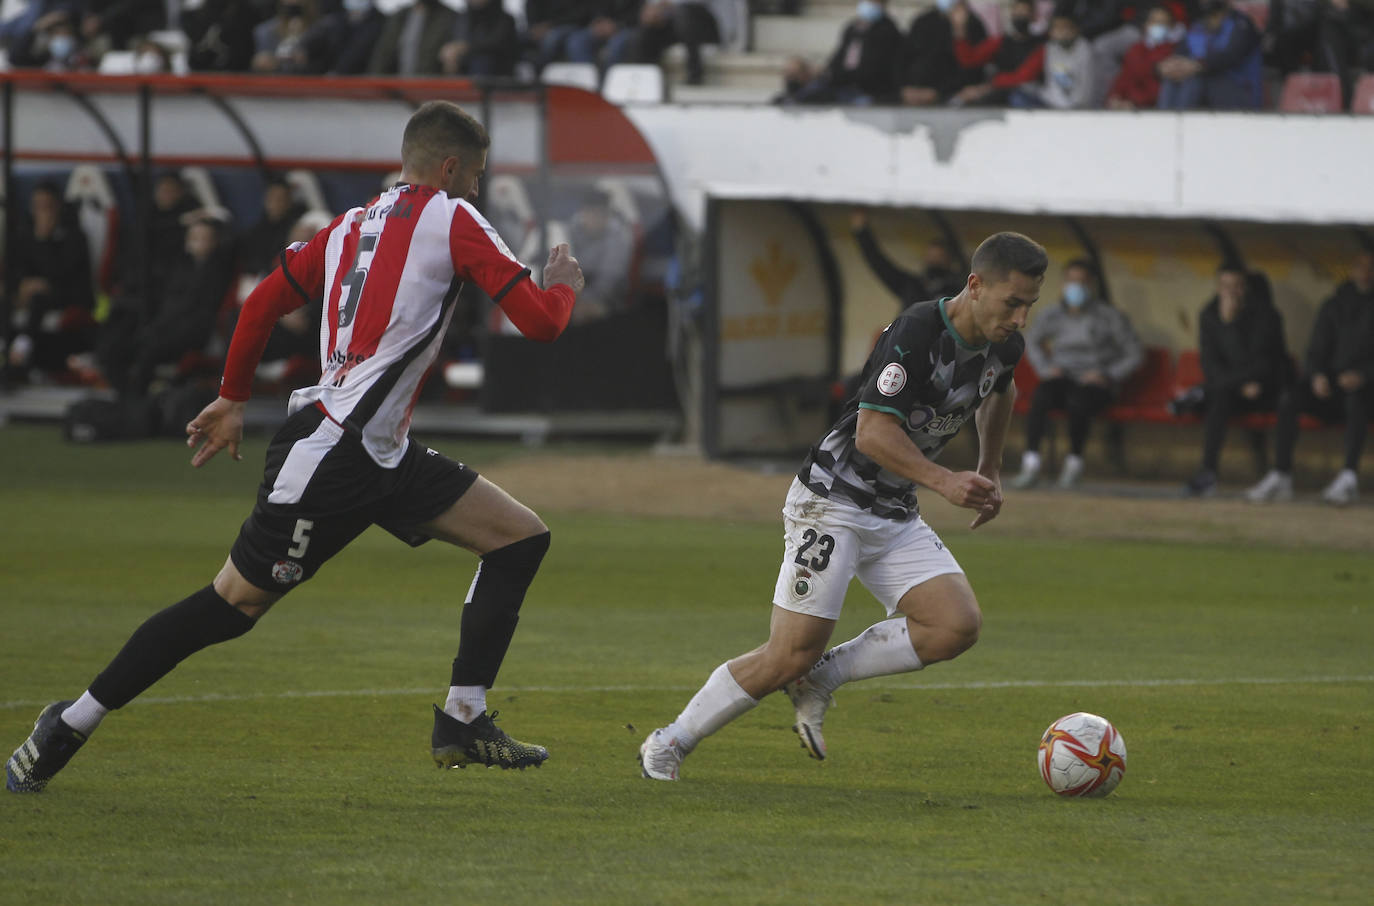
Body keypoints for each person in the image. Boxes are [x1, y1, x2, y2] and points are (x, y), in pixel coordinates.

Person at [5, 100, 586, 794]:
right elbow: (542, 325)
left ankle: (463, 720)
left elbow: (258, 305)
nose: (479, 190)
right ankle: (68, 723)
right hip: (335, 458)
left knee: (519, 538)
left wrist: (233, 396)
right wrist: (563, 290)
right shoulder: (453, 217)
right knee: (231, 606)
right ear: (451, 167)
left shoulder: (346, 225)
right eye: (478, 175)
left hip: (381, 451)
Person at [639, 232, 1048, 781]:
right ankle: (669, 742)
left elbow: (1002, 391)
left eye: (1029, 306)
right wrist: (945, 480)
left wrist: (991, 468)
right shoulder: (917, 332)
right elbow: (873, 433)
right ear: (975, 286)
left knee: (955, 625)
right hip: (832, 500)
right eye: (1012, 304)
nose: (1021, 320)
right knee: (788, 654)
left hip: (893, 508)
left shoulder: (1003, 346)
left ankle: (822, 679)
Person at [1246, 250, 1374, 506]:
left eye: (1371, 267)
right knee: (1290, 399)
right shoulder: (1334, 305)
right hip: (1331, 388)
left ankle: (1348, 477)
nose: (1366, 273)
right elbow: (1315, 350)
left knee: (1357, 400)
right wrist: (1316, 376)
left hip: (1366, 391)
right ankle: (1281, 473)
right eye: (1360, 266)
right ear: (1352, 270)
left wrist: (1363, 375)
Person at [1012, 259, 1143, 489]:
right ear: (1063, 284)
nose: (1076, 287)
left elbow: (1134, 353)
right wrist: (1046, 368)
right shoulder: (1051, 314)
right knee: (1041, 396)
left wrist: (1108, 375)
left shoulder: (1109, 316)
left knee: (1079, 401)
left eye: (1082, 282)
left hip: (1094, 382)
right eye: (1071, 281)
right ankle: (1031, 463)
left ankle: (1074, 464)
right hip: (1061, 376)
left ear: (1092, 285)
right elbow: (1031, 341)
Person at [1183, 263, 1291, 496]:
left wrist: (1230, 325)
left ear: (1246, 288)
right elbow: (1210, 366)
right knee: (1218, 398)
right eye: (1225, 286)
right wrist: (1239, 385)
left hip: (1266, 389)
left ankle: (1279, 476)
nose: (1231, 292)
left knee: (1216, 392)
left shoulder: (1266, 315)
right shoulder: (1209, 314)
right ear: (1218, 287)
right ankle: (1208, 473)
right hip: (1232, 390)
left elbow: (1264, 364)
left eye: (1237, 286)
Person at [5, 180, 95, 382]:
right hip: (34, 293)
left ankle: (21, 352)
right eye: (38, 206)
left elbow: (62, 274)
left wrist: (44, 240)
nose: (42, 212)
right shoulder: (25, 233)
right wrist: (22, 286)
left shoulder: (75, 236)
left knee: (38, 299)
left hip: (69, 294)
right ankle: (7, 348)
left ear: (58, 207)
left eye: (47, 206)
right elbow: (18, 267)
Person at [777, 0, 903, 105]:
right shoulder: (853, 28)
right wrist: (826, 73)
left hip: (864, 89)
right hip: (840, 83)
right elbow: (839, 56)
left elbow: (873, 69)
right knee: (803, 84)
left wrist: (841, 77)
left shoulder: (888, 31)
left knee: (822, 97)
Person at [1157, 0, 1263, 110]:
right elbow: (1180, 54)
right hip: (1203, 88)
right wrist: (1167, 67)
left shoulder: (1242, 24)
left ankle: (1182, 122)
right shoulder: (1197, 26)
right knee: (1172, 78)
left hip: (1238, 91)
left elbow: (1229, 57)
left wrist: (1196, 66)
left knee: (1193, 78)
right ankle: (1165, 122)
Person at [850, 210, 965, 309]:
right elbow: (880, 264)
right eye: (931, 257)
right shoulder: (913, 286)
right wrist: (862, 232)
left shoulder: (959, 288)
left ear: (949, 260)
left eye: (939, 257)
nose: (933, 260)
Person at [948, 0, 1047, 108]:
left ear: (1033, 16)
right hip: (999, 93)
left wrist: (989, 86)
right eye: (1017, 11)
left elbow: (1023, 77)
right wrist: (960, 30)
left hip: (1029, 96)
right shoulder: (1000, 42)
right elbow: (970, 59)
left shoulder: (1041, 46)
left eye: (1024, 12)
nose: (1020, 15)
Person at [897, 0, 988, 106]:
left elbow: (973, 69)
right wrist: (904, 88)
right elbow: (904, 57)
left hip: (951, 98)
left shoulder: (973, 25)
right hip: (913, 95)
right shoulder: (924, 21)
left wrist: (939, 92)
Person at [1010, 13, 1098, 109]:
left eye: (1065, 27)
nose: (1062, 32)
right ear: (1051, 33)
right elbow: (1030, 75)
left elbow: (1087, 89)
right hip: (1052, 101)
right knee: (1018, 96)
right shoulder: (1050, 48)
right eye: (1057, 28)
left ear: (1075, 30)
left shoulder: (1085, 49)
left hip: (1078, 105)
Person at [1106, 4, 1182, 109]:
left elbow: (1158, 89)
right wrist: (1115, 98)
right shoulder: (1135, 49)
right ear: (1146, 24)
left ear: (1170, 27)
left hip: (1151, 110)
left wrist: (1134, 103)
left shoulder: (1174, 51)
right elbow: (1124, 78)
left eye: (1163, 23)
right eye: (1155, 22)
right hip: (1126, 105)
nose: (1158, 26)